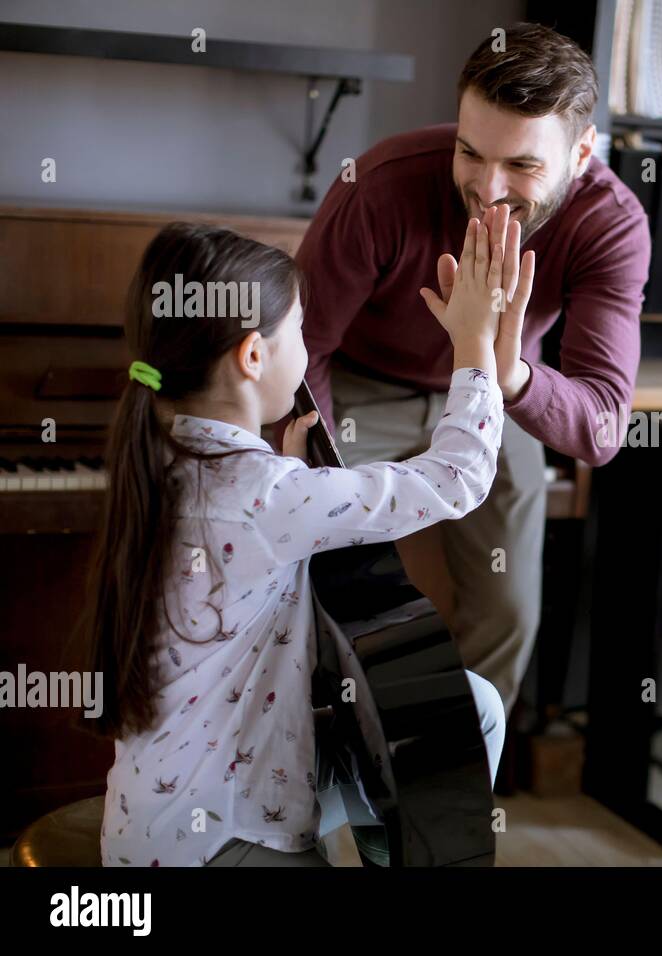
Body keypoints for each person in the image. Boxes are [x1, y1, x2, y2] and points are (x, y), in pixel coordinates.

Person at [83, 207, 531, 866]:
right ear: (254, 356)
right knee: (449, 726)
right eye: (299, 329)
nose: (309, 343)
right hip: (224, 843)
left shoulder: (161, 459)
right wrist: (474, 351)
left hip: (150, 824)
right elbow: (457, 478)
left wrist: (292, 471)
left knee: (468, 708)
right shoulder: (266, 495)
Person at [294, 23, 652, 713]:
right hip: (367, 388)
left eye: (522, 165)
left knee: (510, 611)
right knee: (316, 579)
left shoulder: (612, 225)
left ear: (582, 154)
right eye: (470, 153)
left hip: (503, 389)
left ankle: (456, 784)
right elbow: (303, 355)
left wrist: (510, 372)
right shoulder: (377, 187)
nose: (488, 189)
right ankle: (330, 777)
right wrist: (322, 487)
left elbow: (602, 427)